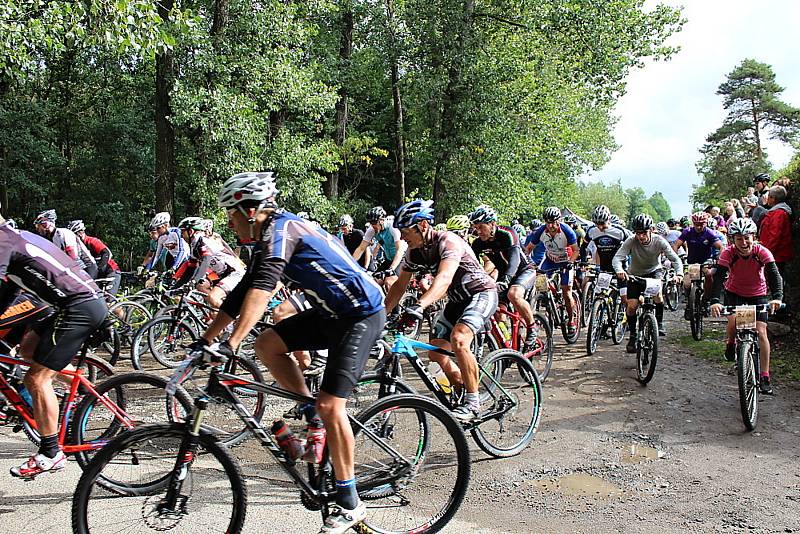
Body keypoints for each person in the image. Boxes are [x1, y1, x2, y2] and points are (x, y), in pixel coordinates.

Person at [191, 172, 385, 533]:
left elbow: (263, 290)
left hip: (361, 314)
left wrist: (231, 345)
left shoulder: (283, 231)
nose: (230, 224)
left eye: (232, 215)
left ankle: (349, 502)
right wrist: (207, 338)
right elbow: (240, 294)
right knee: (267, 344)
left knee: (332, 406)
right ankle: (311, 412)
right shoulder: (267, 240)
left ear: (251, 211)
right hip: (331, 313)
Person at [0, 210, 107, 478]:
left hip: (79, 307)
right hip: (70, 305)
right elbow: (9, 289)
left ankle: (51, 452)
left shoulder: (3, 240)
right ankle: (84, 392)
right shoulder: (14, 238)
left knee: (35, 379)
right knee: (27, 350)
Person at [384, 199, 497, 421]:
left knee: (460, 339)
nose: (403, 237)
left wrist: (418, 306)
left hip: (481, 293)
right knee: (435, 353)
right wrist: (380, 316)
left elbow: (444, 279)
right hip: (457, 300)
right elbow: (399, 286)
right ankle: (461, 382)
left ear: (423, 226)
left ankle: (473, 403)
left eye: (406, 232)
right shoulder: (414, 252)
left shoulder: (449, 241)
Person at [709, 218, 782, 394]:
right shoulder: (728, 253)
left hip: (758, 294)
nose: (743, 242)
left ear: (754, 237)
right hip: (735, 293)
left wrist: (777, 298)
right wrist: (715, 301)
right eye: (739, 238)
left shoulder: (762, 252)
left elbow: (774, 275)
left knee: (761, 331)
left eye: (747, 237)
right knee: (733, 322)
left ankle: (764, 375)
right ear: (732, 240)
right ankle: (731, 343)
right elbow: (719, 278)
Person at [468, 204, 538, 351]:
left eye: (481, 227)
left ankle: (532, 327)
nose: (478, 231)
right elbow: (471, 266)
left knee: (514, 294)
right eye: (475, 227)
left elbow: (515, 260)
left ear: (492, 223)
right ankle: (506, 347)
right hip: (504, 277)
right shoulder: (478, 243)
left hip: (524, 271)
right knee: (497, 311)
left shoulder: (507, 233)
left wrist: (505, 279)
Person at [613, 214, 683, 348]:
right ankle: (633, 335)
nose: (641, 237)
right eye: (638, 233)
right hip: (635, 274)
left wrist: (679, 274)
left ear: (651, 230)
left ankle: (659, 323)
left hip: (654, 272)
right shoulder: (631, 241)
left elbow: (675, 259)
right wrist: (619, 270)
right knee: (632, 306)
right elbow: (617, 258)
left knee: (658, 295)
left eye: (644, 233)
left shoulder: (659, 241)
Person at [173, 217, 246, 309]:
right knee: (211, 306)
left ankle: (236, 318)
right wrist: (175, 288)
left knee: (213, 298)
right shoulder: (194, 245)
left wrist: (195, 280)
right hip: (223, 274)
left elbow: (206, 260)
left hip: (235, 272)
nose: (181, 236)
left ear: (190, 231)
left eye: (182, 232)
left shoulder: (203, 241)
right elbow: (191, 269)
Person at [528, 207, 580, 335]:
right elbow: (528, 249)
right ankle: (548, 303)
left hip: (565, 260)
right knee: (540, 284)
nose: (550, 225)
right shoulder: (541, 231)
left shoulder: (567, 230)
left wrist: (571, 262)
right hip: (550, 260)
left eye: (553, 222)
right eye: (547, 222)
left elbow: (576, 250)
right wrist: (529, 263)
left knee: (566, 291)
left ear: (559, 220)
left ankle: (571, 320)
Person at [673, 211, 723, 320]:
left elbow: (721, 246)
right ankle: (688, 302)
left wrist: (719, 257)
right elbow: (676, 245)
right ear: (693, 223)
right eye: (697, 224)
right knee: (686, 283)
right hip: (691, 261)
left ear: (706, 223)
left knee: (708, 275)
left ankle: (706, 300)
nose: (699, 227)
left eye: (702, 224)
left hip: (706, 261)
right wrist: (675, 258)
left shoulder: (710, 233)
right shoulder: (687, 232)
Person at [352, 206, 406, 293]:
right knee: (373, 283)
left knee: (389, 282)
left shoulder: (392, 227)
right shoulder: (371, 230)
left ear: (382, 220)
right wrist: (351, 264)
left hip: (402, 258)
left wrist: (391, 269)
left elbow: (400, 250)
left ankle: (396, 305)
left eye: (374, 222)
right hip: (389, 259)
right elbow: (361, 248)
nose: (372, 225)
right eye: (370, 223)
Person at [33, 210, 98, 278]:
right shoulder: (52, 239)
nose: (37, 229)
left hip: (87, 267)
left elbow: (73, 256)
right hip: (75, 268)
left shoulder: (64, 233)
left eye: (38, 226)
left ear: (45, 224)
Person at [67, 220, 122, 295]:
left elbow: (107, 253)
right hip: (99, 274)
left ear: (80, 233)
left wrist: (97, 268)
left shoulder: (92, 241)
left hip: (111, 271)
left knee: (109, 299)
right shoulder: (77, 247)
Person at [758, 185, 794, 283]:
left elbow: (774, 236)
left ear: (773, 198)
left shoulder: (779, 214)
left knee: (775, 281)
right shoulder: (776, 212)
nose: (767, 198)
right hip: (774, 254)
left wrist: (765, 254)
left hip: (776, 256)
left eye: (769, 196)